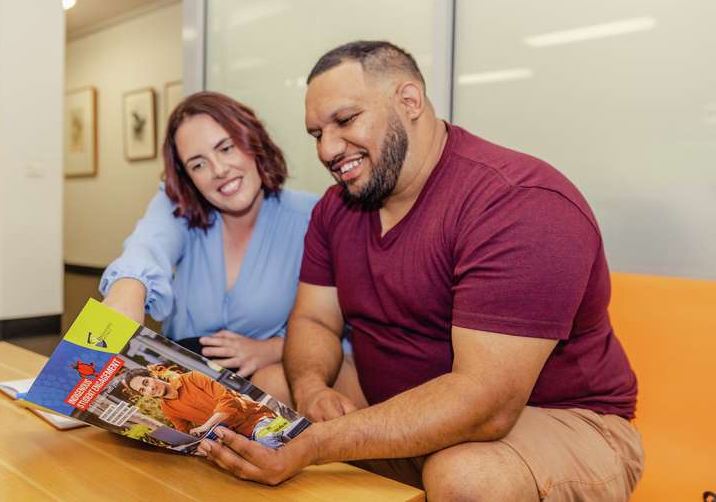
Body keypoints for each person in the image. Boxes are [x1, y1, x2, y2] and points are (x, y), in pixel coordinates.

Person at [196, 41, 644, 501]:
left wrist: (317, 442)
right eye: (316, 134)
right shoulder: (336, 209)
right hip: (400, 400)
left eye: (346, 120)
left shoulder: (520, 203)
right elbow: (313, 320)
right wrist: (310, 389)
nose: (328, 149)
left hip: (553, 418)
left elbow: (486, 405)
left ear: (409, 101)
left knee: (467, 478)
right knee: (270, 390)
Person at [100, 92, 348, 387]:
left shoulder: (314, 217)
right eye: (198, 165)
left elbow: (343, 334)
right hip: (174, 385)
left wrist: (273, 350)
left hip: (266, 392)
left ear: (253, 142)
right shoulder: (180, 208)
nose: (218, 170)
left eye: (226, 148)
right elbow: (148, 244)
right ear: (188, 178)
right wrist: (128, 286)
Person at [121, 366, 283, 448]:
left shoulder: (192, 378)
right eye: (143, 390)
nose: (149, 389)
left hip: (257, 419)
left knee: (267, 443)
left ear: (152, 375)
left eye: (146, 382)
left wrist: (206, 426)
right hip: (235, 438)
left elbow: (228, 400)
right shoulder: (167, 408)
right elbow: (184, 433)